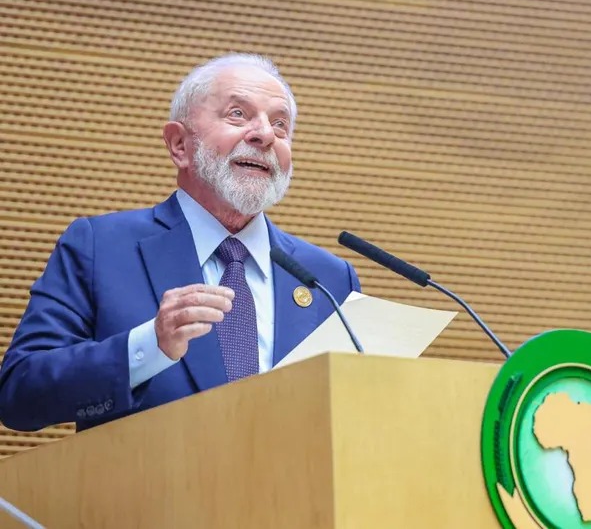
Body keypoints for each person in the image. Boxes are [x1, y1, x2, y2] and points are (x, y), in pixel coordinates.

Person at [0, 53, 360, 432]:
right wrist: (148, 346)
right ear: (179, 145)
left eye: (280, 124)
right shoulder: (100, 248)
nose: (265, 134)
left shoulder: (330, 279)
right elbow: (20, 393)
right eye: (238, 114)